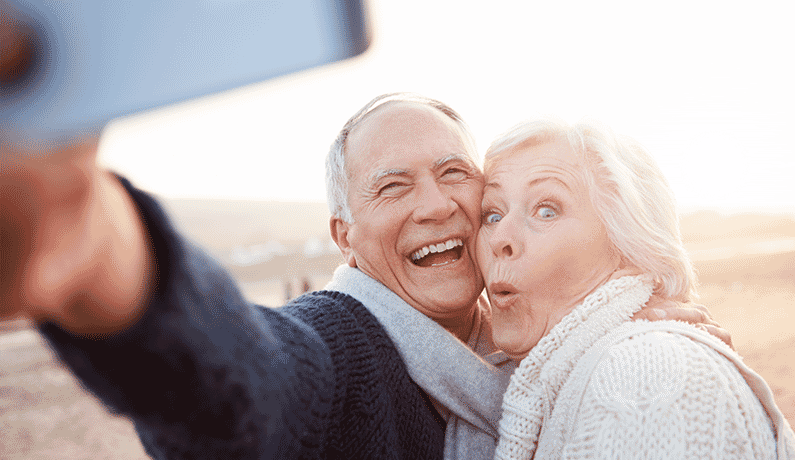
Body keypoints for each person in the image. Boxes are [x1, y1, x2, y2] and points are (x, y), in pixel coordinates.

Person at [1, 93, 730, 459]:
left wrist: (616, 322)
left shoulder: (542, 354)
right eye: (392, 187)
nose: (436, 203)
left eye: (454, 173)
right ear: (344, 238)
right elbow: (249, 380)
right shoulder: (342, 348)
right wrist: (97, 251)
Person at [474, 118, 795, 459]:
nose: (500, 238)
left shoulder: (643, 376)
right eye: (492, 214)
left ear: (629, 245)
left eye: (546, 211)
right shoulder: (560, 381)